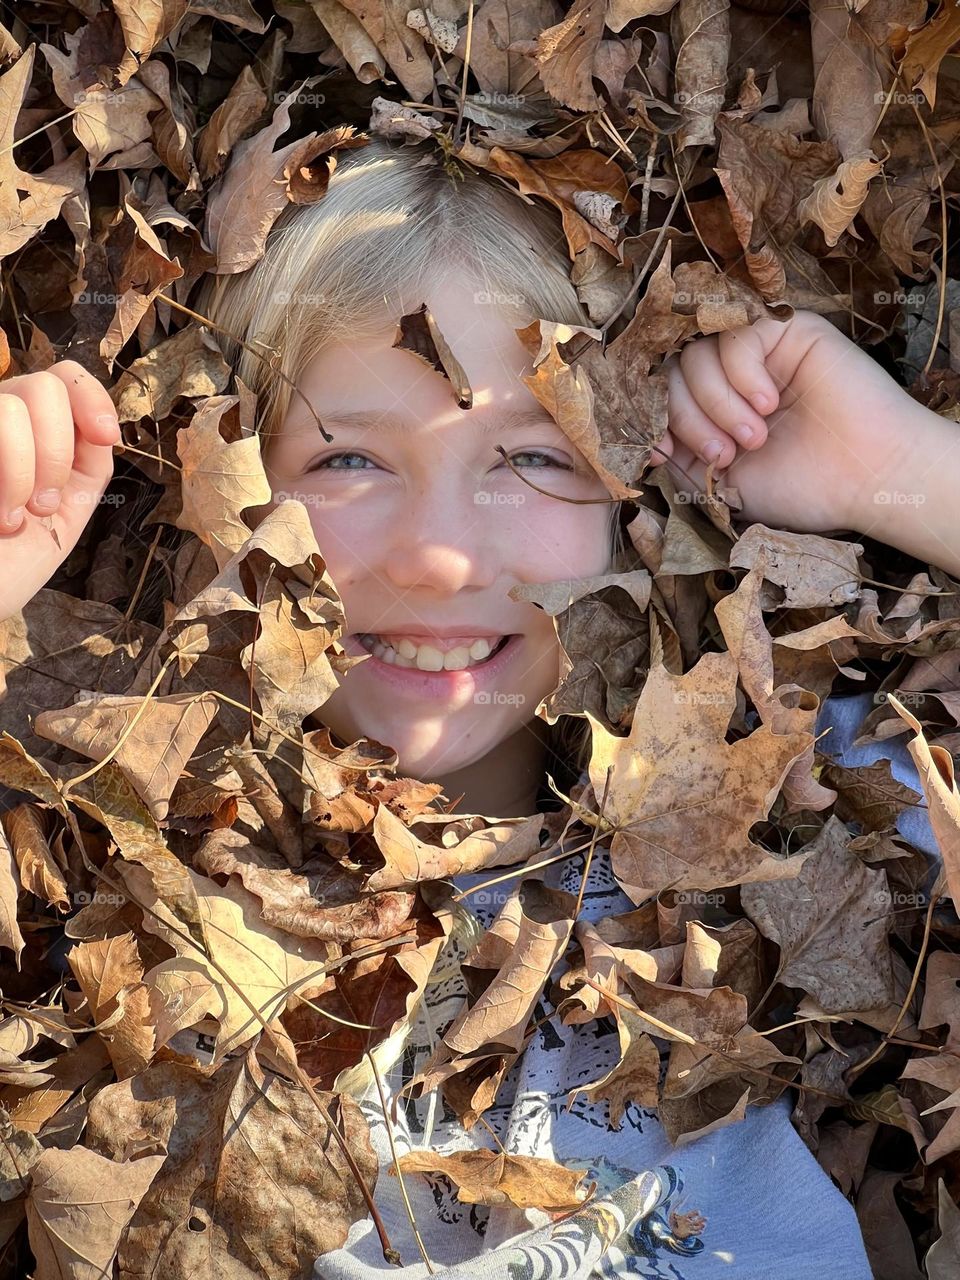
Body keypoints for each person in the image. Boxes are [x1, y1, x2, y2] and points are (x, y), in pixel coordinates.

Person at [0, 136, 952, 1277]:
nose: (443, 557)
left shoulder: (800, 818)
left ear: (634, 506)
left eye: (535, 458)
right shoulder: (89, 885)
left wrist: (903, 475)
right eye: (348, 459)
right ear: (222, 489)